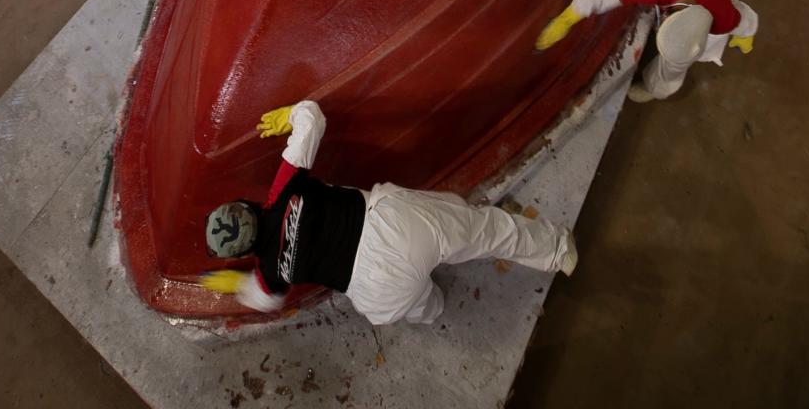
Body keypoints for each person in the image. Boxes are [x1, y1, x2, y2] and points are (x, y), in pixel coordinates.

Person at [200, 100, 576, 326]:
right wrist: (290, 114)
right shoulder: (283, 191)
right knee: (482, 230)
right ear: (247, 206)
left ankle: (435, 305)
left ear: (245, 253)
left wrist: (240, 285)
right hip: (390, 227)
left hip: (375, 291)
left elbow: (267, 300)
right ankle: (558, 252)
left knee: (422, 306)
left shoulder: (268, 271)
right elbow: (313, 119)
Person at [535, 0, 758, 104]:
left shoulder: (726, 18)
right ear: (670, 12)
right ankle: (658, 80)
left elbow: (745, 18)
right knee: (674, 54)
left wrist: (748, 34)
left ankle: (655, 87)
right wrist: (569, 16)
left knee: (672, 68)